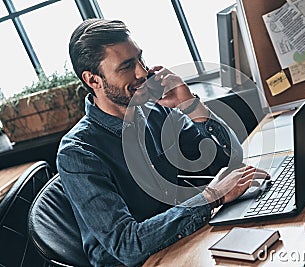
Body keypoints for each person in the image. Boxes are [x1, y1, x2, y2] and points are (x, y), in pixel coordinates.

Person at [57, 18, 269, 267]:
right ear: (94, 81)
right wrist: (212, 196)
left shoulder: (156, 111)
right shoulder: (77, 153)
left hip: (185, 239)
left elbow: (229, 160)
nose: (142, 72)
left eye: (140, 59)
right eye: (126, 66)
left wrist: (190, 105)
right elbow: (127, 245)